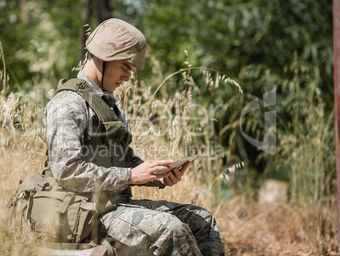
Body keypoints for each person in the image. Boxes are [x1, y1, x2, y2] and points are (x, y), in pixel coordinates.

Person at [44, 18, 225, 256]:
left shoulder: (106, 102)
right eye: (125, 67)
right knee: (170, 229)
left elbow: (124, 159)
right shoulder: (68, 104)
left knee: (203, 220)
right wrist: (132, 175)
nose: (128, 77)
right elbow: (66, 172)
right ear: (104, 57)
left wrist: (157, 175)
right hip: (83, 213)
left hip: (114, 206)